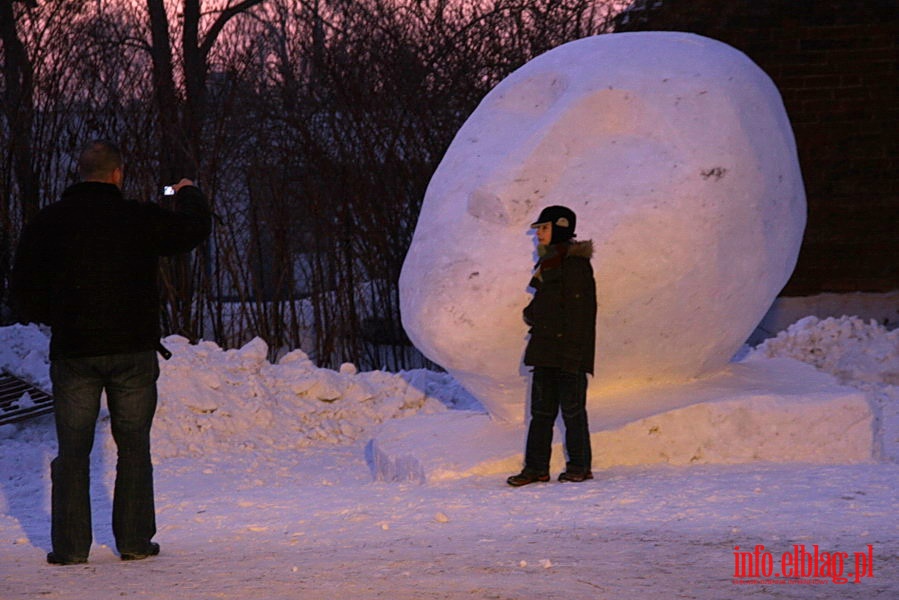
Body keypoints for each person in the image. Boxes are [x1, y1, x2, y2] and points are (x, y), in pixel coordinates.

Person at [10, 140, 211, 564]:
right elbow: (193, 231)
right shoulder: (136, 217)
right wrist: (187, 191)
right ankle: (136, 542)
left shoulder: (48, 223)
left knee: (72, 450)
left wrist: (60, 315)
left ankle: (69, 548)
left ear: (80, 173)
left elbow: (21, 296)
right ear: (117, 174)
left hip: (75, 352)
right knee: (134, 445)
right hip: (132, 350)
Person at [507, 205, 597, 486]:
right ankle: (536, 469)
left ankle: (580, 467)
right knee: (541, 414)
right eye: (538, 230)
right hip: (545, 351)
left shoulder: (575, 265)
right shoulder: (549, 263)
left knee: (572, 413)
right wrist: (532, 314)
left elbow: (581, 315)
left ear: (560, 227)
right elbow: (546, 305)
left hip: (568, 353)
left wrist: (573, 357)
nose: (539, 235)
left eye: (543, 228)